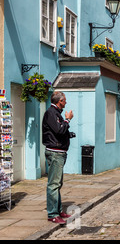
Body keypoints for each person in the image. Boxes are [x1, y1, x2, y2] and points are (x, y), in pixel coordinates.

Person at [42, 91, 74, 225]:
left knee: (58, 183)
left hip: (59, 152)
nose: (66, 102)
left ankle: (58, 210)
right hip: (55, 153)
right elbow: (59, 130)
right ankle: (52, 214)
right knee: (53, 184)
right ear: (60, 101)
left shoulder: (56, 113)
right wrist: (68, 119)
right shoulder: (51, 113)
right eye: (64, 100)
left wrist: (69, 134)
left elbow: (59, 132)